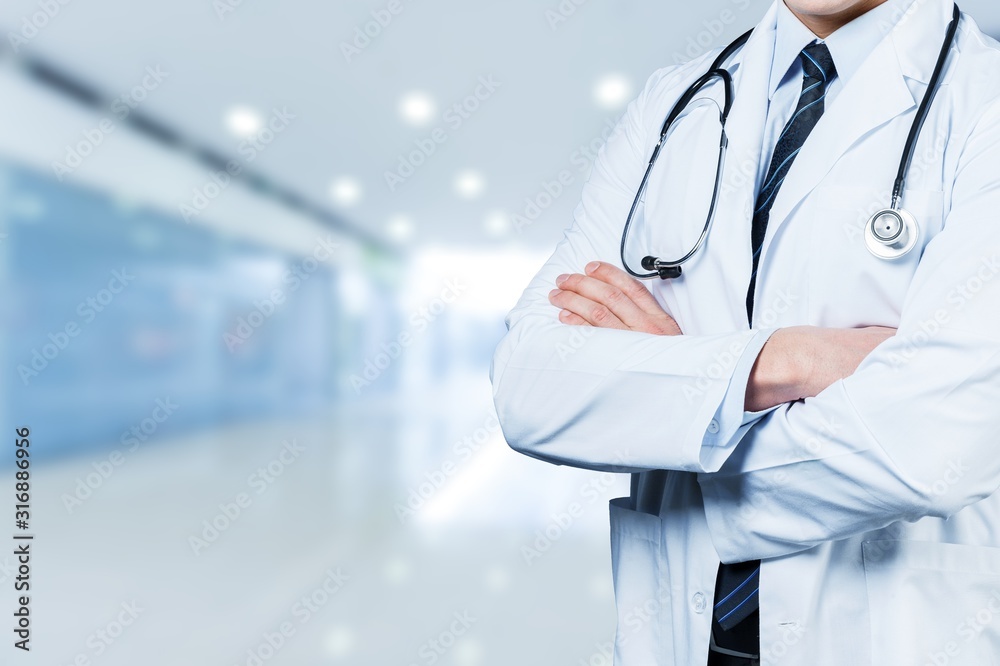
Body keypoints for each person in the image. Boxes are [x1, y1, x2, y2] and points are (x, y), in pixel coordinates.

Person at [490, 0, 1000, 663]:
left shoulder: (983, 101)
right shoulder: (675, 105)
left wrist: (676, 402)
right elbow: (533, 387)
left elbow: (933, 446)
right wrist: (789, 360)